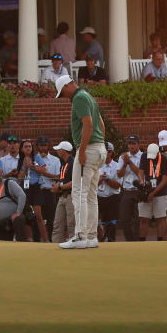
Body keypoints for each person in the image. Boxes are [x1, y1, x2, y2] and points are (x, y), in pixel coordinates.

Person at [59, 72, 104, 250]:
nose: (63, 98)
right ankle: (91, 236)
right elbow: (101, 123)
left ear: (66, 86)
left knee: (79, 193)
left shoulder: (78, 98)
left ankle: (80, 236)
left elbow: (89, 124)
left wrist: (83, 150)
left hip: (89, 148)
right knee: (91, 195)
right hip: (98, 148)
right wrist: (101, 145)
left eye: (62, 93)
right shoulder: (89, 96)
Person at [137, 141, 167, 240]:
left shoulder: (165, 160)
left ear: (158, 153)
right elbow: (140, 172)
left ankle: (160, 241)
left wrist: (153, 193)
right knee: (144, 218)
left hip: (161, 193)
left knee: (160, 218)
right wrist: (141, 182)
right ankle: (142, 241)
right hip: (146, 191)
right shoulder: (144, 156)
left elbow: (165, 180)